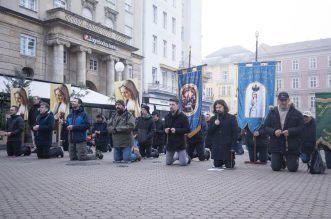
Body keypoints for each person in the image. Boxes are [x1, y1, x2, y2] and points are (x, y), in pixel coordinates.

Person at [264, 92, 304, 172]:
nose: (283, 102)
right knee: (275, 168)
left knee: (292, 169)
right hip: (276, 143)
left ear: (288, 100)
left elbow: (302, 127)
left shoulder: (297, 113)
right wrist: (274, 131)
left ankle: (293, 160)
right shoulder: (272, 113)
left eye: (285, 100)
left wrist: (290, 131)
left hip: (291, 144)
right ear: (278, 101)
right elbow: (265, 127)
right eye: (281, 100)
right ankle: (281, 161)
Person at [208, 99, 237, 168]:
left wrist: (233, 146)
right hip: (217, 146)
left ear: (224, 107)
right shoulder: (213, 118)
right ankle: (220, 161)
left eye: (220, 107)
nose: (218, 109)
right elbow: (209, 132)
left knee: (229, 166)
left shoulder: (231, 118)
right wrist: (215, 125)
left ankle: (230, 160)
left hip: (227, 146)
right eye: (216, 107)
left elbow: (235, 133)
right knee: (217, 165)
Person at [164, 97, 191, 166]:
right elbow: (164, 127)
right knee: (168, 163)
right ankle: (177, 157)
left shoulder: (183, 117)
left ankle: (187, 157)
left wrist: (176, 130)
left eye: (173, 105)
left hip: (180, 143)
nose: (171, 106)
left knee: (183, 163)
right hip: (170, 143)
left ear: (177, 105)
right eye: (170, 104)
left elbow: (188, 129)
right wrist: (165, 130)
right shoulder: (167, 116)